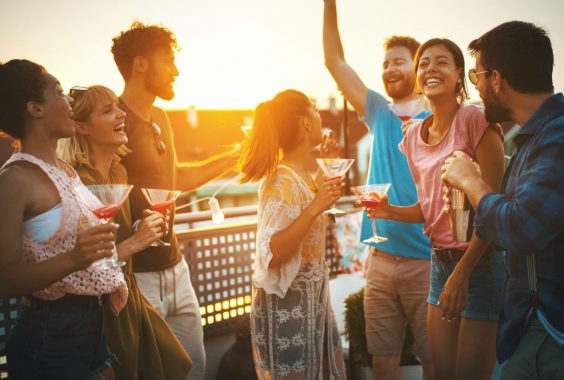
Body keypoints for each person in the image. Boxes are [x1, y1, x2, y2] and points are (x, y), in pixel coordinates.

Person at [441, 21, 564, 380]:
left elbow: (523, 228)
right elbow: (513, 217)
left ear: (496, 79)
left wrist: (472, 181)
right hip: (546, 328)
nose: (476, 88)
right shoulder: (540, 137)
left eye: (478, 76)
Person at [0, 46, 127, 379]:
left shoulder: (63, 168)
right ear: (35, 108)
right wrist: (76, 257)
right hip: (49, 338)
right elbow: (5, 279)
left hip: (90, 327)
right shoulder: (14, 179)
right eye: (59, 91)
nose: (69, 102)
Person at [367, 38, 506, 380]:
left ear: (460, 75)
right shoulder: (413, 136)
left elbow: (494, 209)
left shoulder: (477, 121)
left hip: (480, 264)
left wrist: (463, 273)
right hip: (439, 263)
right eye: (424, 63)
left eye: (442, 62)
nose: (431, 68)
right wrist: (388, 211)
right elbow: (429, 211)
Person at [110, 22, 240, 378]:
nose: (176, 70)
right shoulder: (113, 123)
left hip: (177, 268)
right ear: (140, 64)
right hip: (139, 277)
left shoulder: (161, 118)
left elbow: (176, 179)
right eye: (168, 60)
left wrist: (236, 156)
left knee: (194, 367)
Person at [321, 1, 433, 377]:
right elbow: (334, 62)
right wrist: (329, 5)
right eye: (385, 63)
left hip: (427, 261)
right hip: (380, 260)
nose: (389, 69)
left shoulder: (437, 119)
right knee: (381, 360)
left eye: (399, 61)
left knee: (435, 360)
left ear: (418, 68)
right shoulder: (379, 112)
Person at [57, 85, 193, 379]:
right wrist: (137, 241)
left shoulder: (118, 172)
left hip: (130, 297)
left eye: (118, 107)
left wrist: (139, 228)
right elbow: (82, 264)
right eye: (108, 110)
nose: (121, 114)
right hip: (101, 308)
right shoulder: (79, 182)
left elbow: (115, 236)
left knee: (176, 365)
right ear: (80, 127)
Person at [239, 89, 346, 379]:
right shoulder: (279, 180)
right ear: (306, 123)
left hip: (312, 300)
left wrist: (326, 170)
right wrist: (316, 206)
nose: (319, 114)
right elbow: (272, 253)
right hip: (289, 307)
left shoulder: (299, 176)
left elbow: (301, 214)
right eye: (314, 108)